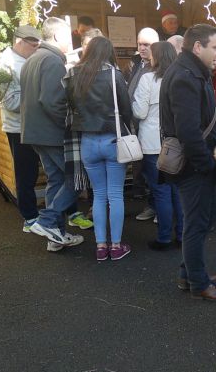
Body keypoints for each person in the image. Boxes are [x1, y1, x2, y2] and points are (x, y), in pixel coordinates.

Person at [160, 23, 216, 301]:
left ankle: (189, 271)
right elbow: (188, 131)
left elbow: (198, 116)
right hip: (194, 166)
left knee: (207, 216)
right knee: (196, 223)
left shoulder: (191, 72)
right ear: (197, 47)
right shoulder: (185, 76)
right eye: (215, 47)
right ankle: (198, 282)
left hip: (199, 163)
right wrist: (207, 165)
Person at [20, 17, 86, 251]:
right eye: (69, 36)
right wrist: (69, 125)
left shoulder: (32, 59)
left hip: (34, 132)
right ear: (58, 37)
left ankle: (55, 236)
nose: (72, 41)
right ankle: (48, 221)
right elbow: (51, 101)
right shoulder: (52, 60)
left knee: (56, 181)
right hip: (52, 134)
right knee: (76, 180)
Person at [66, 37, 133, 261]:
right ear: (108, 52)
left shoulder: (74, 75)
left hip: (87, 141)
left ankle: (100, 246)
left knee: (98, 195)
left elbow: (70, 105)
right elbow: (126, 108)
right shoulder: (114, 75)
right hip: (112, 140)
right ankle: (116, 246)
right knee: (115, 194)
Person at [132, 41, 184, 251]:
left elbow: (140, 112)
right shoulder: (180, 79)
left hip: (153, 144)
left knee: (160, 191)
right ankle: (182, 235)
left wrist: (132, 105)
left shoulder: (147, 79)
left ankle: (163, 238)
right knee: (178, 191)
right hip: (177, 141)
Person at [0, 25, 42, 232]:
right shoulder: (5, 65)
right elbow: (11, 104)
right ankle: (30, 217)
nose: (35, 50)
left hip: (34, 125)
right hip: (18, 128)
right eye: (32, 46)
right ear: (19, 42)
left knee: (34, 172)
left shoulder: (27, 58)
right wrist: (39, 94)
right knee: (26, 174)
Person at [128, 27, 159, 217]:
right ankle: (152, 204)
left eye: (146, 44)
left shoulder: (157, 68)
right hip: (136, 126)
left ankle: (156, 207)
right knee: (143, 169)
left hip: (151, 128)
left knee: (154, 171)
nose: (142, 48)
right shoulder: (137, 64)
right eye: (140, 44)